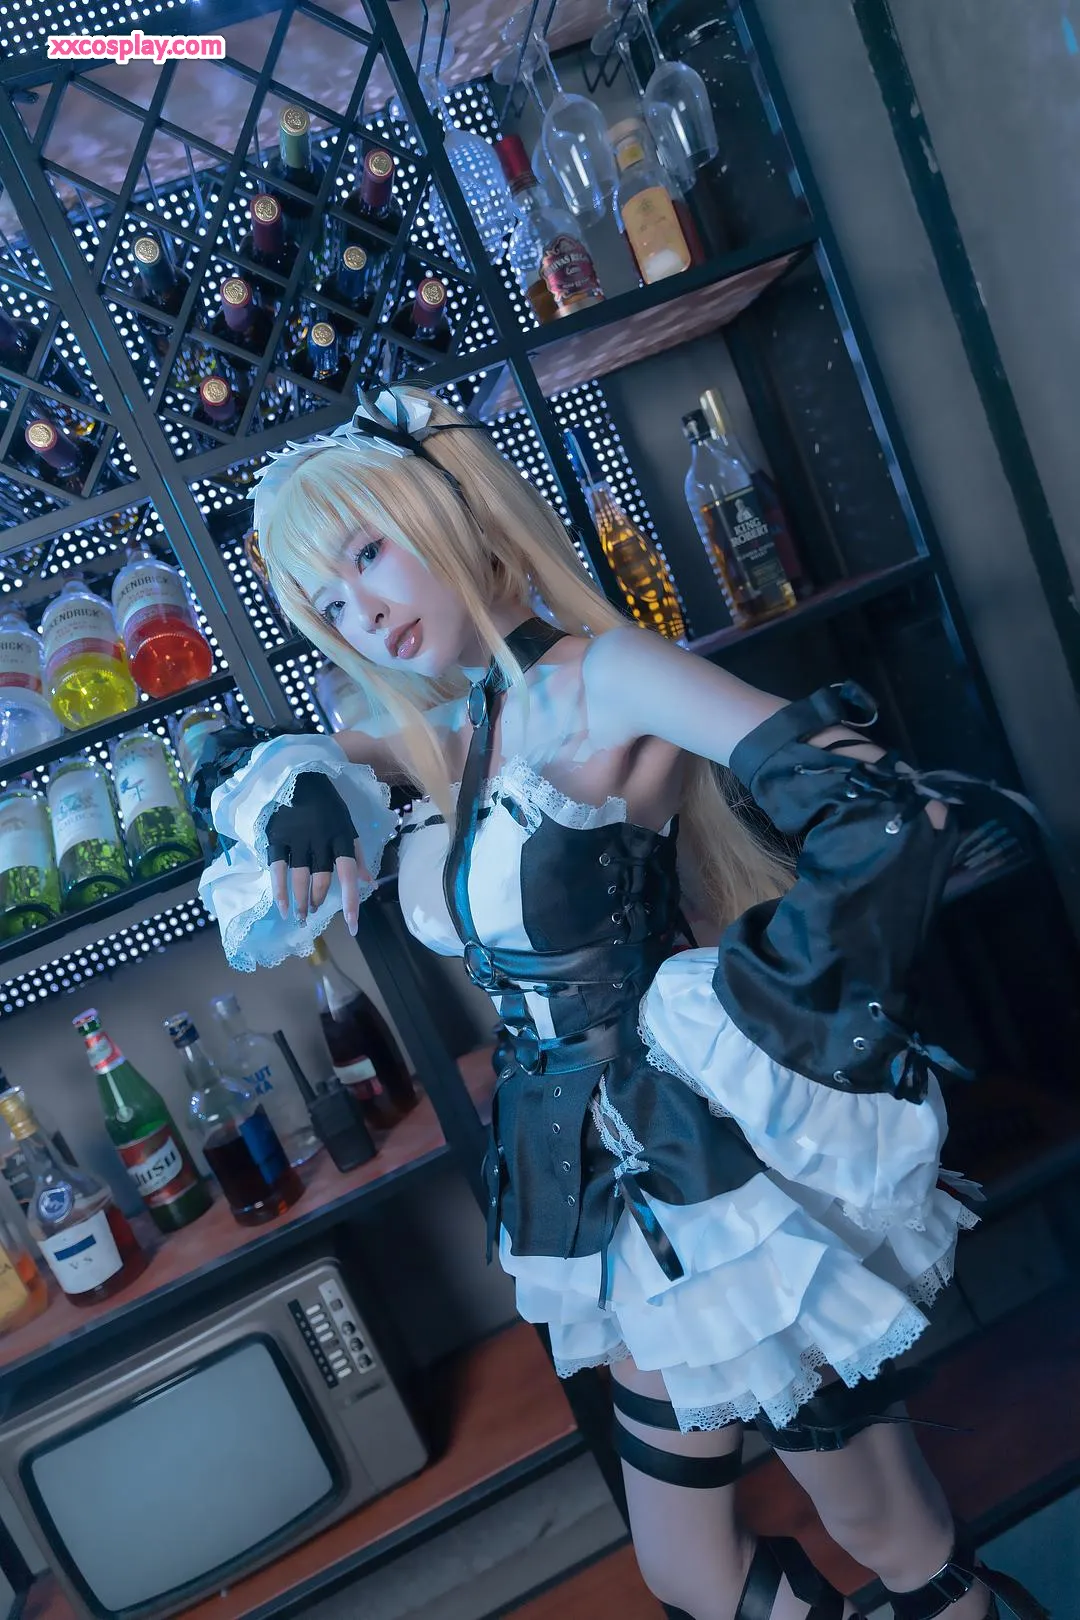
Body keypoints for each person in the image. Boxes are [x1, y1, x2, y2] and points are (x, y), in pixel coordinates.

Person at [193, 385, 1048, 1620]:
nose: (361, 614)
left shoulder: (606, 676)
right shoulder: (459, 725)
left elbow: (881, 808)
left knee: (887, 1528)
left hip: (703, 1180)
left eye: (368, 554)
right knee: (686, 1569)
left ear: (446, 509)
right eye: (328, 604)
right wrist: (298, 783)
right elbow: (222, 757)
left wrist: (758, 1005)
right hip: (593, 1191)